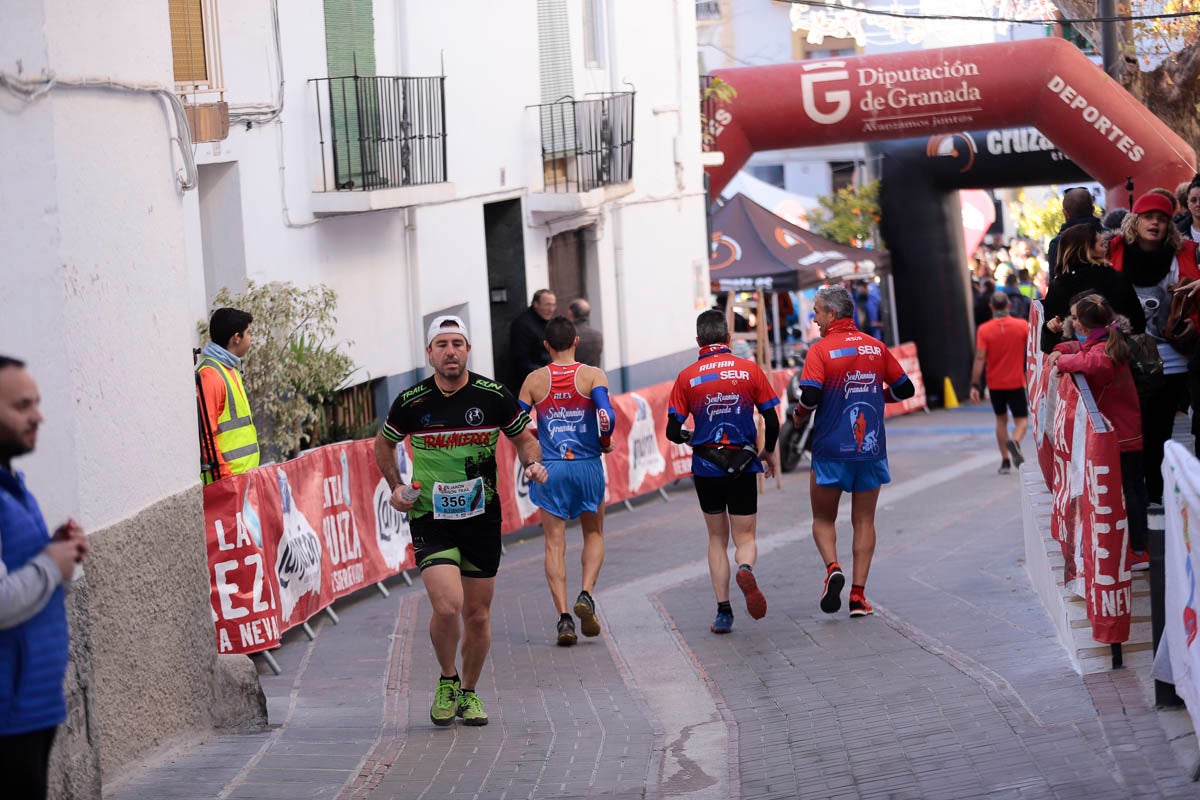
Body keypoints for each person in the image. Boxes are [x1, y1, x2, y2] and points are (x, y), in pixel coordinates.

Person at [373, 316, 548, 727]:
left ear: (469, 350)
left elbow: (525, 439)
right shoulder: (412, 401)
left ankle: (468, 692)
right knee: (448, 605)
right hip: (430, 516)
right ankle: (447, 679)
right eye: (442, 345)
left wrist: (533, 464)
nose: (450, 351)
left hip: (482, 517)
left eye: (458, 344)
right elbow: (384, 443)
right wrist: (396, 485)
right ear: (429, 353)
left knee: (478, 615)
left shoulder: (492, 395)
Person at [792, 286, 913, 618]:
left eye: (816, 312)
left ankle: (833, 568)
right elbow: (906, 388)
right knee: (864, 519)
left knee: (822, 518)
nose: (813, 319)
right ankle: (858, 596)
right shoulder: (875, 347)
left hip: (831, 448)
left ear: (832, 314)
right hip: (870, 447)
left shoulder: (820, 350)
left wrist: (799, 415)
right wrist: (878, 395)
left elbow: (811, 396)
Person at [0, 356, 90, 799]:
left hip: (30, 708)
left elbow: (30, 583)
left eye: (35, 402)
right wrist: (50, 563)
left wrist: (60, 556)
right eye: (21, 405)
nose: (38, 416)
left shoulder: (15, 488)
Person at [665, 309, 780, 634]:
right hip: (743, 464)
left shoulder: (688, 377)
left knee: (717, 538)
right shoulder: (749, 370)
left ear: (699, 341)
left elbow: (673, 431)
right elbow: (771, 419)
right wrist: (768, 451)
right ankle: (745, 566)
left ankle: (723, 612)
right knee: (745, 537)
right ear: (728, 338)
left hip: (707, 467)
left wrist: (694, 438)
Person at [518, 316, 616, 646]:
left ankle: (563, 619)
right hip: (587, 465)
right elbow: (606, 416)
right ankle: (586, 594)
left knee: (554, 544)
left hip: (552, 467)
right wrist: (604, 441)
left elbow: (516, 424)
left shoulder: (534, 380)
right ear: (576, 341)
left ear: (546, 346)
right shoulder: (592, 375)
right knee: (594, 532)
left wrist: (532, 448)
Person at [1109, 191, 1200, 503]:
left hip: (1171, 360)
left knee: (1161, 432)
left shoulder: (1184, 253)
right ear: (1136, 221)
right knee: (1133, 431)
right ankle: (1136, 495)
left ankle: (1159, 496)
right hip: (1126, 359)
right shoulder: (1114, 250)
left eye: (1162, 219)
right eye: (1149, 217)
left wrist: (1193, 325)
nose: (1155, 224)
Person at [1046, 295, 1149, 570]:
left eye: (1076, 317)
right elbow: (1080, 351)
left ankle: (1140, 550)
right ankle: (1136, 546)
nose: (1072, 321)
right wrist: (1061, 350)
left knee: (1132, 492)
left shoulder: (1105, 349)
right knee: (1131, 490)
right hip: (1123, 432)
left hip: (1124, 436)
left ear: (1085, 326)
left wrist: (1062, 362)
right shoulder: (1104, 339)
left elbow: (1092, 363)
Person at [1041, 223, 1145, 353]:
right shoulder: (1116, 279)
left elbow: (1049, 343)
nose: (1105, 249)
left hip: (1073, 364)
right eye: (1101, 245)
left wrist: (1048, 329)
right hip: (1116, 358)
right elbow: (1138, 324)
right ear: (1087, 249)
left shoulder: (1059, 286)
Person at [970, 293, 1031, 474]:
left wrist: (975, 384)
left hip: (995, 383)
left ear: (991, 307)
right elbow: (1032, 351)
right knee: (1021, 420)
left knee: (1001, 420)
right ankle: (1016, 441)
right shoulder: (1022, 326)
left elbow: (980, 357)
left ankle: (1005, 460)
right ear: (1009, 305)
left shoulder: (984, 329)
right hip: (1017, 381)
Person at [196, 307, 259, 483]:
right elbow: (206, 437)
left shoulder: (229, 370)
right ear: (236, 338)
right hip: (227, 484)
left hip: (241, 481)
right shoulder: (211, 376)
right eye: (249, 332)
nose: (251, 338)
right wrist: (225, 479)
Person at [1047, 187, 1101, 272]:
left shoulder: (1057, 244)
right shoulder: (1109, 236)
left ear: (1065, 214)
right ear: (1093, 210)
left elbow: (1054, 280)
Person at [509, 290, 557, 385]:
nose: (551, 309)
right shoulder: (522, 325)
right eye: (547, 305)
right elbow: (521, 360)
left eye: (553, 305)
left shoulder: (548, 322)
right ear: (536, 304)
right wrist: (549, 373)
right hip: (530, 382)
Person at [567, 298, 603, 367]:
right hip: (594, 376)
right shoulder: (598, 335)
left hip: (574, 376)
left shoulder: (567, 336)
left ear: (570, 313)